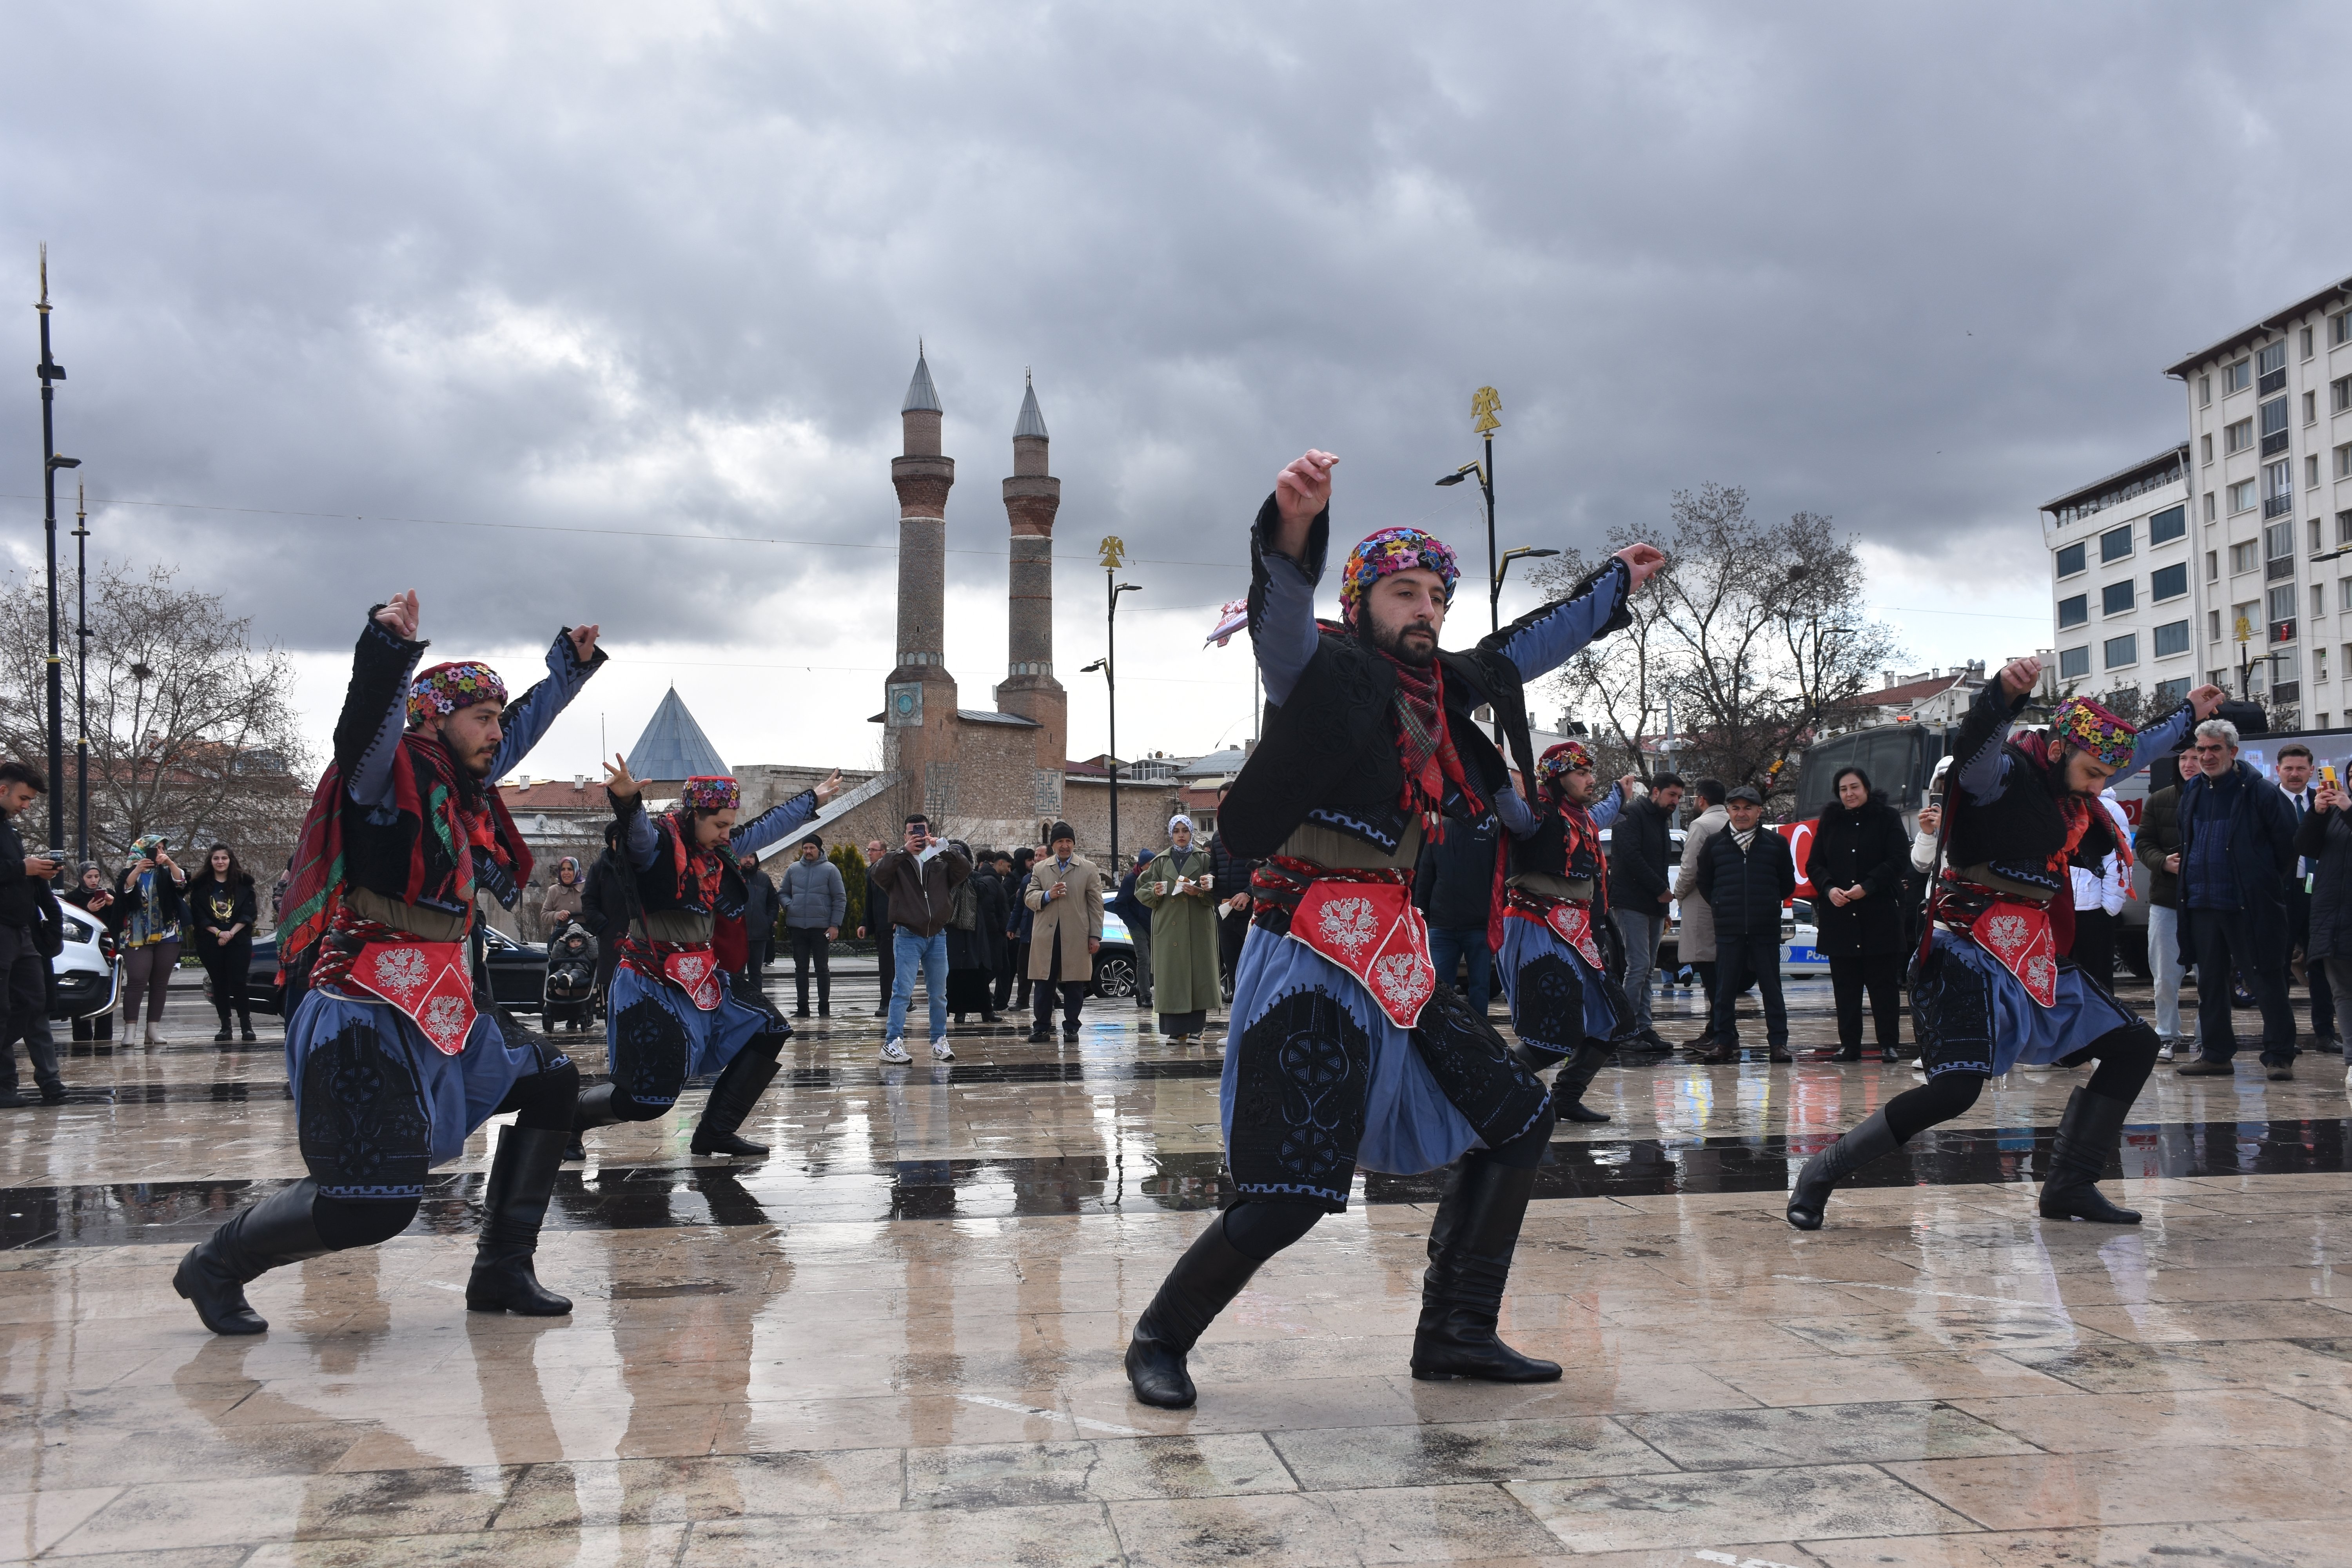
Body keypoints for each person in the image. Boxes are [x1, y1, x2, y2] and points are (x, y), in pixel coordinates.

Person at [1122, 448, 1661, 1411]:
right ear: (1365, 597)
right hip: (1311, 955)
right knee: (1290, 1195)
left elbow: (1536, 643)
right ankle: (1161, 1335)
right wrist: (1292, 527)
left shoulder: (1452, 688)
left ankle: (1456, 1328)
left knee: (1518, 1117)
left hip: (1399, 955)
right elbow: (1279, 610)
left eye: (1436, 597)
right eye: (1404, 591)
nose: (1424, 609)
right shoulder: (1318, 669)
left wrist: (1612, 582)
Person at [173, 591, 606, 1335]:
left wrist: (566, 666)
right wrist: (383, 652)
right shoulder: (387, 772)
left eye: (499, 719)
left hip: (443, 1001)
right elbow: (363, 729)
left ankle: (503, 1266)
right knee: (370, 1207)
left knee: (552, 1081)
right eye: (483, 717)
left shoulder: (463, 778)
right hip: (365, 1007)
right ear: (433, 716)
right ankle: (217, 1263)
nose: (497, 734)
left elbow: (523, 724)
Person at [1787, 664, 2216, 1232]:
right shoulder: (2001, 775)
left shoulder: (2074, 776)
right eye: (2091, 773)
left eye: (2103, 777)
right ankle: (1822, 1170)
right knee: (1955, 1091)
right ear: (2060, 748)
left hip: (2032, 947)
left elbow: (2137, 750)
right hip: (1966, 945)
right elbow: (1973, 751)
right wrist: (2003, 697)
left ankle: (2070, 1183)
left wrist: (2191, 712)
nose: (2097, 788)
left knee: (2133, 1046)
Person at [573, 759, 837, 1160]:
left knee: (770, 1029)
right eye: (719, 825)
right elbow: (638, 833)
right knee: (649, 1100)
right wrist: (627, 801)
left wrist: (812, 798)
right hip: (651, 977)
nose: (727, 834)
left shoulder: (720, 845)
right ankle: (569, 1118)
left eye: (731, 825)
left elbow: (768, 827)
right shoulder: (658, 845)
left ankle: (715, 1131)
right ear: (694, 814)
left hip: (702, 974)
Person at [1499, 745, 1640, 1123]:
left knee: (1614, 1020)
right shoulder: (1534, 816)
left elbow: (1603, 813)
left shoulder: (1581, 818)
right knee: (1551, 1033)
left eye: (1589, 772)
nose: (1590, 779)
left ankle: (1566, 1097)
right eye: (1581, 773)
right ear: (1556, 779)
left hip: (1575, 930)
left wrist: (1620, 793)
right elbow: (1509, 807)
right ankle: (1489, 1098)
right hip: (1537, 926)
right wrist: (1497, 774)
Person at [2174, 717, 2301, 1081]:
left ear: (2233, 751)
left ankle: (2279, 1055)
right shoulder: (2194, 792)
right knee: (2210, 984)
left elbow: (2286, 847)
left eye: (2215, 749)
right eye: (2201, 749)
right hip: (2202, 905)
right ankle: (2215, 1055)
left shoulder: (2261, 793)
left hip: (2248, 905)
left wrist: (2258, 882)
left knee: (2266, 981)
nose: (2207, 756)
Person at [1806, 766, 1912, 1063]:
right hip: (1840, 916)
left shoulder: (1887, 817)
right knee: (1846, 987)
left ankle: (1889, 1044)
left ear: (1866, 788)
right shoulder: (1830, 822)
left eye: (1855, 787)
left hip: (1879, 915)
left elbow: (1899, 858)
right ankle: (1849, 1044)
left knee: (1884, 987)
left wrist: (1869, 886)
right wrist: (1828, 889)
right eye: (1843, 790)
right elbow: (1814, 865)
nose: (1850, 794)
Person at [1692, 785, 1798, 1064]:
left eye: (1748, 808)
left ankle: (1779, 1043)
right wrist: (1720, 904)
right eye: (1736, 808)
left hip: (1765, 927)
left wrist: (1768, 903)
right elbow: (1704, 882)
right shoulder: (1715, 844)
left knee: (1771, 988)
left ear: (1759, 811)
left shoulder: (1776, 844)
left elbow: (1787, 883)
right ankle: (1724, 1042)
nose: (1742, 813)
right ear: (1728, 811)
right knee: (1724, 989)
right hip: (1729, 927)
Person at [868, 815, 972, 1061]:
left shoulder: (938, 862)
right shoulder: (898, 864)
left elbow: (965, 869)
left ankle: (939, 1040)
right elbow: (877, 874)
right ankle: (892, 1043)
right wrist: (902, 852)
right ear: (905, 836)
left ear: (929, 833)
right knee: (902, 991)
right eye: (912, 832)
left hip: (937, 934)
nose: (917, 836)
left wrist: (943, 848)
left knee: (939, 993)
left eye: (922, 831)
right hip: (908, 934)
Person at [0, 762, 65, 1107]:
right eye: (24, 798)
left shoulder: (10, 831)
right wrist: (20, 868)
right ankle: (5, 1086)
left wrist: (34, 873)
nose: (26, 806)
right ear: (2, 790)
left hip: (22, 930)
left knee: (33, 1001)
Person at [1607, 771, 1684, 1050]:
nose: (1675, 801)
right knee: (1638, 966)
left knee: (1648, 967)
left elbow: (1660, 865)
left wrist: (1663, 907)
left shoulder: (1660, 820)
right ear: (1655, 792)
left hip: (1652, 904)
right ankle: (1624, 1032)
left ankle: (1644, 1027)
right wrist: (1660, 892)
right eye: (1671, 795)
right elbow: (1631, 858)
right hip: (1631, 901)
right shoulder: (1632, 814)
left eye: (1678, 796)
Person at [2276, 744, 2339, 1055]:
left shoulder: (2325, 801)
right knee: (2279, 968)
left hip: (2318, 893)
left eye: (2301, 768)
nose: (2295, 774)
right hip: (2281, 895)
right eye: (2289, 768)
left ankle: (2325, 1033)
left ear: (2311, 771)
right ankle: (2283, 1037)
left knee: (2321, 965)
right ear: (2278, 771)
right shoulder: (2268, 801)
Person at [2294, 770, 2352, 1100]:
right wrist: (2317, 815)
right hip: (2334, 914)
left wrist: (2347, 809)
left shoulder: (2345, 809)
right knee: (2343, 992)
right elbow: (2304, 846)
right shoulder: (2332, 812)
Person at [1414, 806, 1500, 1017]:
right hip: (1444, 926)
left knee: (1477, 988)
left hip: (1476, 926)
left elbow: (1498, 878)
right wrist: (1421, 917)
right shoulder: (1437, 832)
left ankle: (1480, 1036)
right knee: (1442, 988)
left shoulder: (1491, 832)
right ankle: (1445, 1034)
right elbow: (1425, 877)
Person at [1140, 815, 1221, 1042]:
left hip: (1197, 925)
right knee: (1172, 976)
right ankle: (1175, 1029)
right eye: (1176, 831)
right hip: (1168, 927)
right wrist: (1154, 892)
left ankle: (1197, 1028)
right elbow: (1142, 888)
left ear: (1191, 833)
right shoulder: (1160, 861)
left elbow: (1217, 888)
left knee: (1199, 976)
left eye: (1185, 830)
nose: (1181, 835)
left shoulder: (1204, 859)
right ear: (1171, 834)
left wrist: (1201, 892)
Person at [1024, 823, 1104, 1043]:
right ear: (1053, 845)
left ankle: (1071, 1028)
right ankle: (1041, 1027)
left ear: (1074, 844)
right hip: (1047, 936)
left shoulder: (1088, 868)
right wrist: (1048, 895)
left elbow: (1096, 905)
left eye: (1069, 841)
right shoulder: (1041, 868)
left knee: (1075, 984)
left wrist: (1095, 935)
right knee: (1043, 984)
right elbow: (1029, 897)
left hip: (1076, 935)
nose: (1065, 846)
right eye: (1060, 841)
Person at [2131, 758, 2189, 1060]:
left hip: (2210, 902)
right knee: (2165, 975)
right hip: (2167, 899)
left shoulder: (2224, 797)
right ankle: (2167, 1034)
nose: (2191, 764)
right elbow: (2143, 843)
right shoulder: (2160, 799)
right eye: (2186, 758)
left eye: (2197, 756)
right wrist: (2163, 862)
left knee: (2212, 977)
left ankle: (2210, 1038)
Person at [1670, 779, 1730, 1048]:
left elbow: (1689, 868)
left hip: (1701, 907)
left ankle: (1719, 1031)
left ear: (1702, 800)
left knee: (1709, 973)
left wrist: (1677, 894)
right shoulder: (1733, 821)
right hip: (1727, 907)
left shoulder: (1701, 825)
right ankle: (1716, 1029)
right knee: (1721, 973)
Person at [114, 834, 187, 1046]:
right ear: (141, 850)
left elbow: (182, 884)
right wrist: (137, 870)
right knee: (137, 979)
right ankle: (130, 1030)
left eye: (163, 849)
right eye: (156, 849)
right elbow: (124, 892)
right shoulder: (129, 872)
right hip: (136, 933)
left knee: (160, 983)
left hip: (168, 932)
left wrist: (171, 863)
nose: (160, 853)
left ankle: (153, 1029)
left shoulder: (166, 872)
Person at [2064, 787, 2131, 995]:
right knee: (2065, 981)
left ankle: (2104, 1027)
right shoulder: (2061, 801)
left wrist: (2109, 908)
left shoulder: (2108, 807)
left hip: (2094, 910)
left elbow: (2119, 859)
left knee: (2097, 984)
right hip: (2063, 906)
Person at [191, 844, 260, 1045]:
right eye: (216, 859)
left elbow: (249, 913)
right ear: (210, 862)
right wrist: (218, 932)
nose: (220, 862)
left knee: (239, 982)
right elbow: (198, 915)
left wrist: (230, 933)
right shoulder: (201, 886)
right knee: (219, 983)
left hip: (238, 940)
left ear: (231, 860)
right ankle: (225, 1026)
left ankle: (246, 1026)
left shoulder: (244, 885)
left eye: (224, 858)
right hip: (210, 941)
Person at [779, 835, 845, 1017]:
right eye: (805, 848)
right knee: (800, 969)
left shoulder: (831, 870)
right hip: (798, 927)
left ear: (819, 849)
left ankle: (824, 1007)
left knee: (822, 969)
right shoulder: (794, 870)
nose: (808, 851)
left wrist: (834, 925)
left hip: (821, 928)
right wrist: (789, 906)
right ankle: (803, 1008)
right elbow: (783, 892)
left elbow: (840, 898)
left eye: (812, 848)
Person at [60, 862, 121, 1044]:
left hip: (107, 949)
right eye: (89, 877)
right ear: (81, 878)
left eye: (96, 877)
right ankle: (82, 1038)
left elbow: (120, 922)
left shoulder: (109, 895)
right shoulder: (72, 898)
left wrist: (113, 905)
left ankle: (104, 1038)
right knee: (81, 994)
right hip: (83, 951)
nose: (94, 881)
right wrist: (88, 911)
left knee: (107, 993)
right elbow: (70, 925)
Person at [945, 839, 1005, 1025]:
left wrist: (965, 875)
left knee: (978, 973)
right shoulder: (943, 877)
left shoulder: (975, 876)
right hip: (953, 932)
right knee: (956, 973)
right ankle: (959, 1012)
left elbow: (982, 891)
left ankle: (986, 1011)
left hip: (974, 933)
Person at [1207, 801, 1256, 993]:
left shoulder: (1256, 836)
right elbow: (1214, 870)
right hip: (1225, 914)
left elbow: (1263, 872)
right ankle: (1237, 1016)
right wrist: (1209, 881)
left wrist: (1248, 893)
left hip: (1250, 915)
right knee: (1233, 968)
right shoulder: (1217, 838)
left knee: (1252, 968)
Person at [1110, 849, 1155, 1014]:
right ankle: (1145, 995)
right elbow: (1119, 904)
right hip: (1137, 926)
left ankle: (1139, 986)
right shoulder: (1131, 880)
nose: (1152, 868)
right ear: (1142, 866)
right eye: (1150, 865)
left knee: (1157, 961)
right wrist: (1133, 923)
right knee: (1144, 959)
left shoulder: (1156, 879)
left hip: (1154, 925)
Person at [857, 838, 895, 1018]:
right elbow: (869, 901)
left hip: (892, 924)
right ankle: (905, 1000)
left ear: (883, 853)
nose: (870, 853)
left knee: (888, 966)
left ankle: (886, 1001)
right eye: (869, 850)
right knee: (887, 965)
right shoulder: (871, 872)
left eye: (874, 850)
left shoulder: (892, 871)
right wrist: (865, 923)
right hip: (880, 925)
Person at [737, 848, 779, 993]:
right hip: (738, 934)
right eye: (745, 856)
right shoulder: (733, 877)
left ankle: (756, 1003)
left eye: (752, 857)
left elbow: (773, 902)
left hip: (759, 934)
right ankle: (738, 1001)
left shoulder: (764, 879)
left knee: (756, 972)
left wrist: (769, 920)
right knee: (737, 973)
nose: (748, 860)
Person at [1002, 846, 1036, 1012]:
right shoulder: (1021, 880)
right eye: (1031, 859)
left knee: (1043, 968)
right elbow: (1018, 906)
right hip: (1026, 929)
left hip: (1042, 929)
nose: (1034, 862)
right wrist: (1012, 926)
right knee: (1023, 967)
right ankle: (1022, 1000)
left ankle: (1050, 999)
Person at [990, 850, 1024, 1011]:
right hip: (999, 933)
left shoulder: (998, 881)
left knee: (1004, 969)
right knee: (999, 968)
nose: (1009, 871)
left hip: (1003, 931)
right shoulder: (995, 882)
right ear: (1001, 863)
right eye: (1008, 866)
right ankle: (994, 1002)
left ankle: (998, 1003)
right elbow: (994, 908)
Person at [540, 858, 586, 936]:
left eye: (570, 869)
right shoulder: (553, 890)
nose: (566, 873)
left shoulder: (588, 888)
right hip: (561, 939)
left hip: (586, 936)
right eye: (563, 870)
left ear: (576, 871)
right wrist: (557, 915)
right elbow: (544, 915)